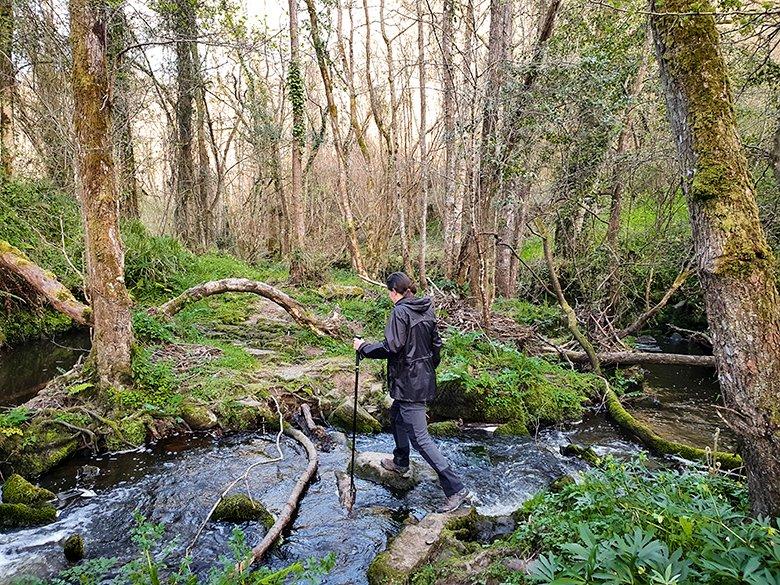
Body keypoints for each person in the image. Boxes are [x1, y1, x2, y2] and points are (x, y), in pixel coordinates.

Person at [353, 271, 469, 513]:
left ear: (394, 291)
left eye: (389, 291)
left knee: (421, 439)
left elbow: (392, 347)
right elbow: (436, 345)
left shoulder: (400, 311)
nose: (389, 295)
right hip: (420, 379)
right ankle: (401, 462)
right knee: (396, 417)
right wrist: (426, 368)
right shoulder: (426, 308)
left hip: (409, 383)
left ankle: (456, 488)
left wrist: (363, 347)